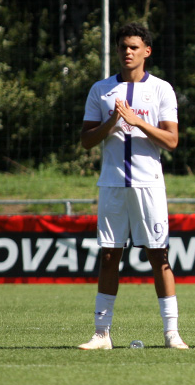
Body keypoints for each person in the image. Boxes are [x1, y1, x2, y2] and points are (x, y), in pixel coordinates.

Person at [78, 22, 188, 350]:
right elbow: (85, 140)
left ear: (147, 52)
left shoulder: (161, 90)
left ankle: (171, 334)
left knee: (159, 255)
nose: (127, 52)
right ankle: (101, 334)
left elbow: (172, 140)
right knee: (110, 255)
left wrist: (138, 122)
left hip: (148, 184)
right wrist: (111, 123)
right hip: (112, 183)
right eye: (123, 46)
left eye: (134, 47)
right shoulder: (100, 89)